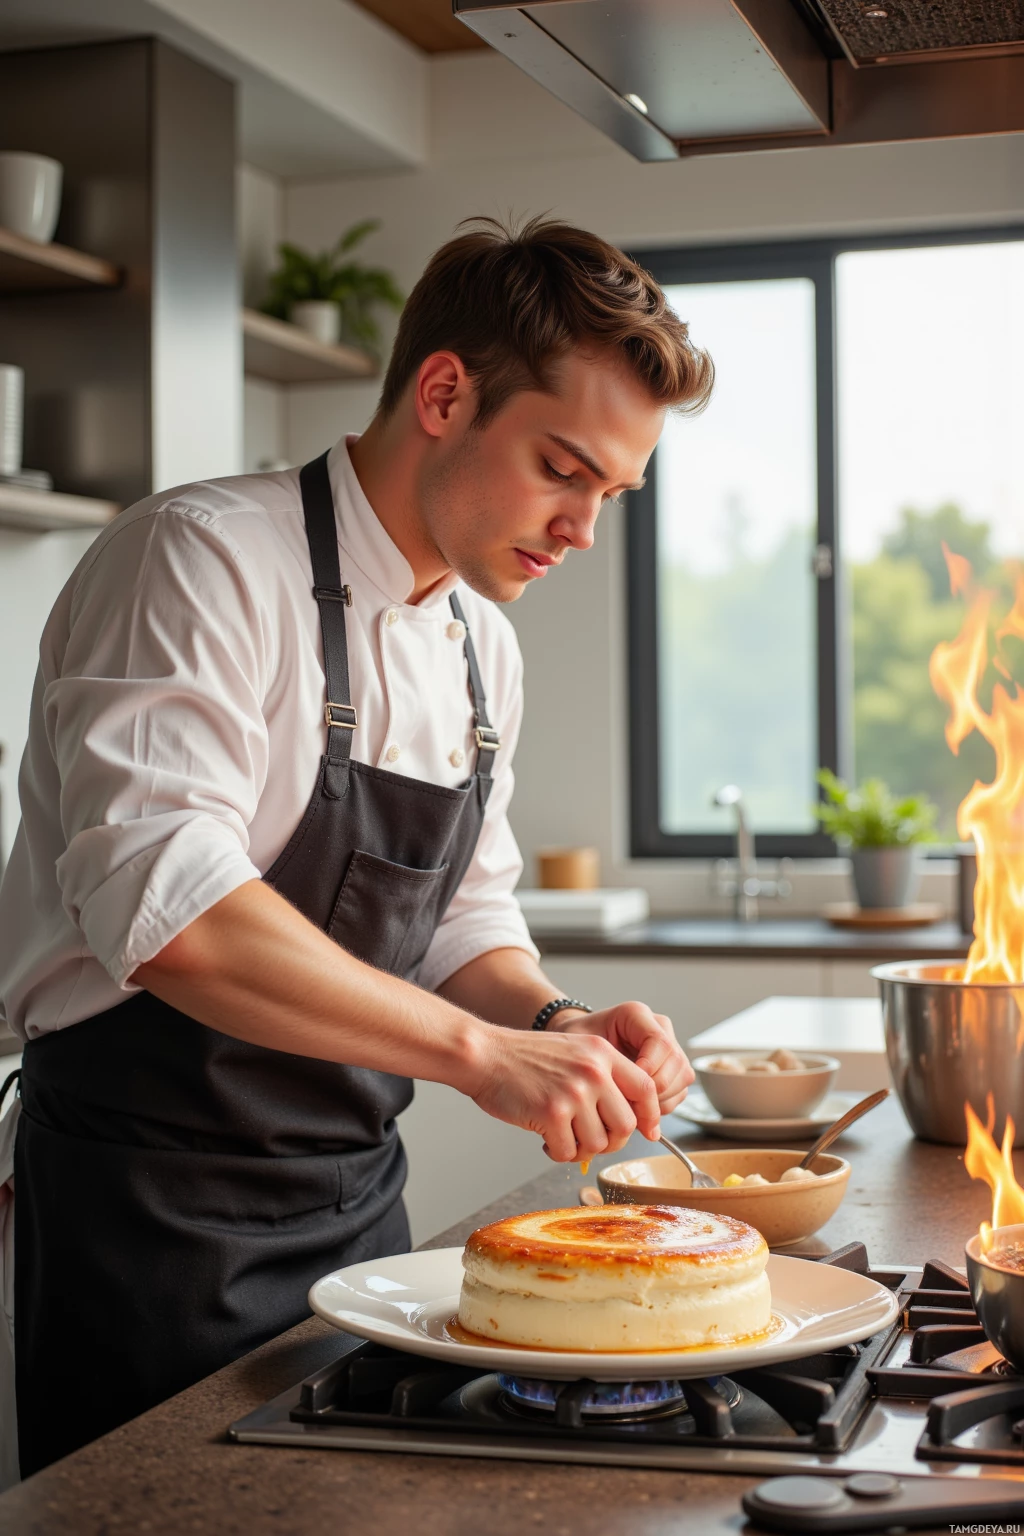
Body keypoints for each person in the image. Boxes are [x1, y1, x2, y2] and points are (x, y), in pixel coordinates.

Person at [0, 215, 713, 1475]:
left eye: (610, 493)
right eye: (562, 468)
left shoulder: (480, 644)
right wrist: (479, 1057)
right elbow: (172, 914)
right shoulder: (201, 558)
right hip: (148, 1220)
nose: (581, 530)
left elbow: (461, 920)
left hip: (358, 1223)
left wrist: (554, 1024)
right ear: (445, 391)